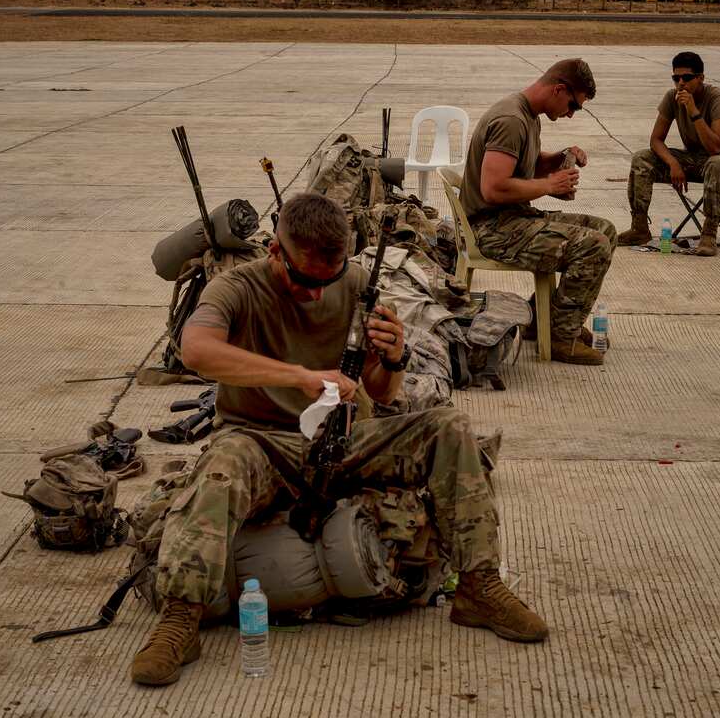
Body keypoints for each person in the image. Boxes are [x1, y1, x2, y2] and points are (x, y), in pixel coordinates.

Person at [130, 192, 549, 687]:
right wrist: (298, 376)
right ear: (275, 253)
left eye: (326, 281)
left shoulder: (356, 286)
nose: (315, 293)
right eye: (304, 279)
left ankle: (479, 586)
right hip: (262, 444)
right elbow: (196, 350)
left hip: (344, 443)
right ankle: (182, 616)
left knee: (449, 427)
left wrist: (392, 359)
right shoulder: (236, 288)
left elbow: (381, 392)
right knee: (223, 461)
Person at [460, 58, 617, 366]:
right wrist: (549, 185)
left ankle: (546, 321)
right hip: (492, 229)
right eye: (574, 105)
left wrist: (562, 157)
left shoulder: (528, 115)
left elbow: (525, 164)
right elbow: (493, 188)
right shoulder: (511, 120)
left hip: (511, 219)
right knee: (593, 245)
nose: (571, 114)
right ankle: (560, 336)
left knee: (606, 230)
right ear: (559, 89)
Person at [617, 51, 720, 256]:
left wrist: (693, 111)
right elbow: (656, 140)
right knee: (642, 158)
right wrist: (673, 163)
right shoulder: (672, 97)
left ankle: (709, 234)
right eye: (675, 78)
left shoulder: (719, 99)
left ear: (700, 78)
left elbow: (716, 147)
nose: (680, 83)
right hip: (693, 158)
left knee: (716, 163)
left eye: (686, 78)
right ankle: (639, 227)